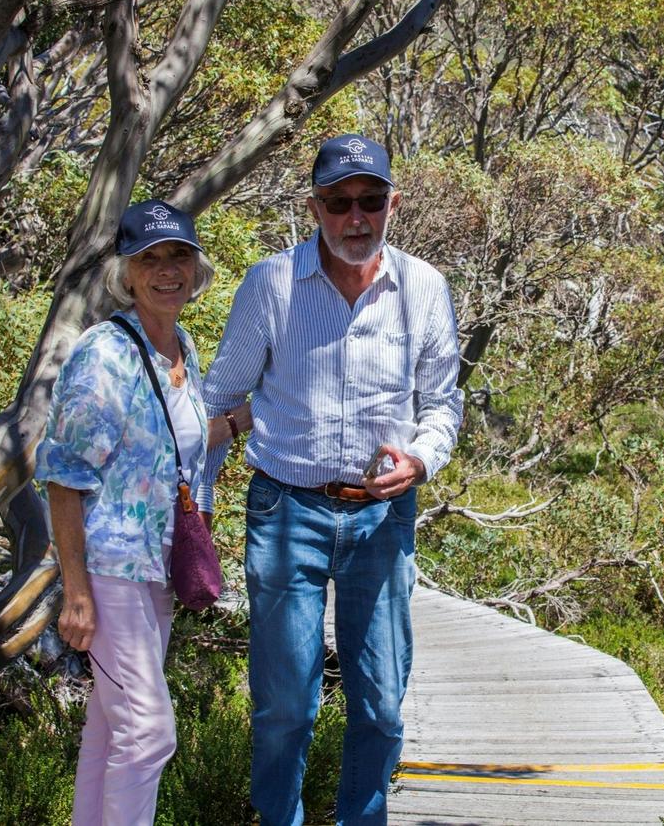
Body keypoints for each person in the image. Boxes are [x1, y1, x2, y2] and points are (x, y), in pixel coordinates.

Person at [197, 134, 464, 825]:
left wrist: (421, 459)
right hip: (286, 509)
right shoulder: (271, 283)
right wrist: (190, 500)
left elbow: (442, 405)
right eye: (339, 202)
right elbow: (220, 397)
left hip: (383, 521)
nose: (355, 217)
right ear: (314, 207)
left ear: (392, 203)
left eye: (370, 201)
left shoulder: (425, 288)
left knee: (379, 698)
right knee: (286, 702)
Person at [36, 200, 251, 826]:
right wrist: (75, 591)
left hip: (154, 572)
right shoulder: (104, 354)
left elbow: (166, 445)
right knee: (151, 732)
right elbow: (62, 476)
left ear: (196, 267)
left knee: (110, 729)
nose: (166, 270)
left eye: (178, 255)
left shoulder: (178, 345)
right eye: (148, 259)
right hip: (109, 572)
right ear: (126, 274)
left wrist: (240, 420)